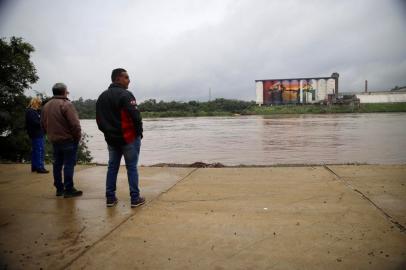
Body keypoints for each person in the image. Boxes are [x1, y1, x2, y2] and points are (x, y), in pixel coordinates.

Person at [96, 68, 144, 208]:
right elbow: (136, 117)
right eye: (126, 77)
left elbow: (99, 121)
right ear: (118, 79)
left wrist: (108, 133)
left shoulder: (102, 97)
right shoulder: (126, 95)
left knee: (112, 167)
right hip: (128, 138)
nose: (129, 80)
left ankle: (110, 198)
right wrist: (139, 133)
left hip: (111, 140)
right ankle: (135, 198)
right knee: (131, 168)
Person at [41, 83, 83, 198]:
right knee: (69, 164)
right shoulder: (66, 104)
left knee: (57, 164)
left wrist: (49, 134)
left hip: (54, 140)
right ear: (64, 92)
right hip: (68, 140)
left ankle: (59, 189)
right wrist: (77, 138)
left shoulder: (46, 106)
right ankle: (69, 189)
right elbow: (75, 125)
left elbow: (43, 124)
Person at [25, 97, 49, 174]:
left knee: (36, 150)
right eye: (39, 103)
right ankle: (40, 167)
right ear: (35, 103)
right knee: (39, 150)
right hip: (36, 134)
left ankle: (35, 167)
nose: (40, 105)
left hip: (38, 133)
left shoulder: (36, 111)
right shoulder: (30, 112)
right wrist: (43, 123)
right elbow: (35, 123)